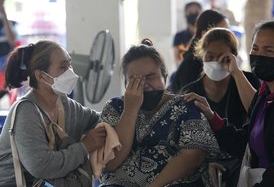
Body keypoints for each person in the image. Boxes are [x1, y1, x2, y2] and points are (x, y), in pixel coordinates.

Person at [186, 20, 274, 186]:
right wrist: (212, 118)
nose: (259, 56)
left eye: (268, 50)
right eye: (255, 49)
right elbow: (247, 142)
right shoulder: (266, 93)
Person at [99, 38, 220, 186]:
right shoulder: (114, 108)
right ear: (125, 83)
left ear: (165, 77)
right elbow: (110, 162)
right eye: (135, 79)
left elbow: (193, 156)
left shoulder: (186, 106)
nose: (144, 84)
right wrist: (130, 110)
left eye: (151, 76)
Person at [0, 40, 107, 186]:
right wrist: (84, 147)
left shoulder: (64, 104)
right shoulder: (26, 111)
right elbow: (41, 166)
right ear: (41, 76)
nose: (70, 72)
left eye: (69, 64)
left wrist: (124, 108)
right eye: (63, 67)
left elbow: (99, 119)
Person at [182, 27, 260, 187]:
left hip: (242, 159)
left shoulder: (248, 81)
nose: (216, 62)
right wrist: (205, 163)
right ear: (201, 55)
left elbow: (258, 113)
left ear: (234, 57)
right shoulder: (191, 92)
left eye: (223, 57)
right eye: (210, 56)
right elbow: (185, 139)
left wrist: (236, 73)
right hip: (202, 160)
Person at [170, 9, 229, 93]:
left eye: (228, 32)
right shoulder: (192, 64)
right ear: (205, 34)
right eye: (221, 33)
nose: (227, 38)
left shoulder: (217, 61)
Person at [173, 1, 202, 66]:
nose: (194, 14)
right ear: (185, 14)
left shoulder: (206, 35)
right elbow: (177, 60)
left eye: (196, 12)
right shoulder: (179, 36)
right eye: (191, 12)